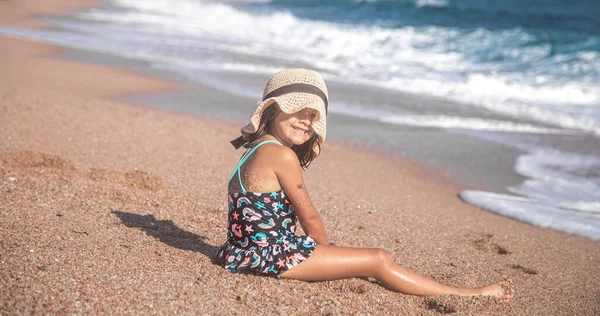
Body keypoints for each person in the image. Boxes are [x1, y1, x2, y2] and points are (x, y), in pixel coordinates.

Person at [215, 68, 513, 298]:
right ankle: (468, 294)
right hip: (271, 257)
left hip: (240, 251)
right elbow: (309, 216)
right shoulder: (283, 156)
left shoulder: (252, 151)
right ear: (272, 109)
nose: (306, 122)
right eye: (298, 111)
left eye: (312, 116)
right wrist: (323, 252)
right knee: (378, 259)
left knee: (364, 258)